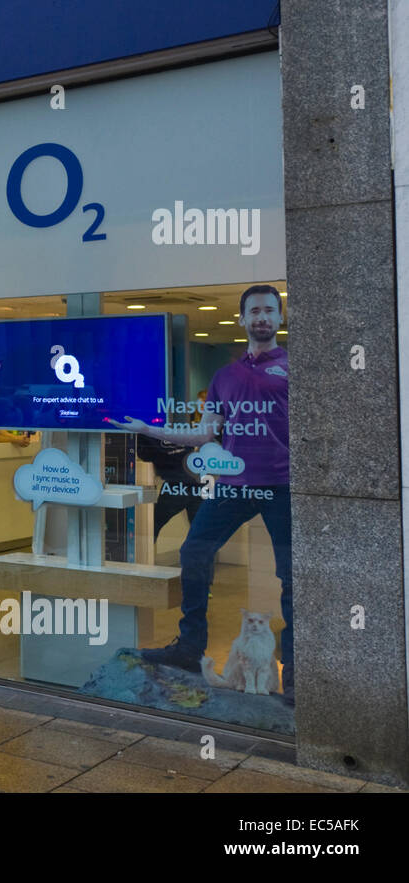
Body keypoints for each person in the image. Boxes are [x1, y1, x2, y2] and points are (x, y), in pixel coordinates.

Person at [108, 285, 291, 703]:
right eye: (253, 311)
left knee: (290, 577)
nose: (261, 317)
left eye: (269, 310)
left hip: (282, 486)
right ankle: (190, 648)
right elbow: (204, 433)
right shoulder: (225, 376)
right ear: (243, 320)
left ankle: (294, 670)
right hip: (233, 487)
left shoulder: (293, 368)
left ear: (278, 318)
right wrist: (148, 428)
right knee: (194, 552)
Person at [136, 390, 206, 540]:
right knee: (200, 531)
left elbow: (145, 455)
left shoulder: (146, 432)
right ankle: (202, 563)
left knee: (152, 526)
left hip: (177, 483)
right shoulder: (179, 424)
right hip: (195, 481)